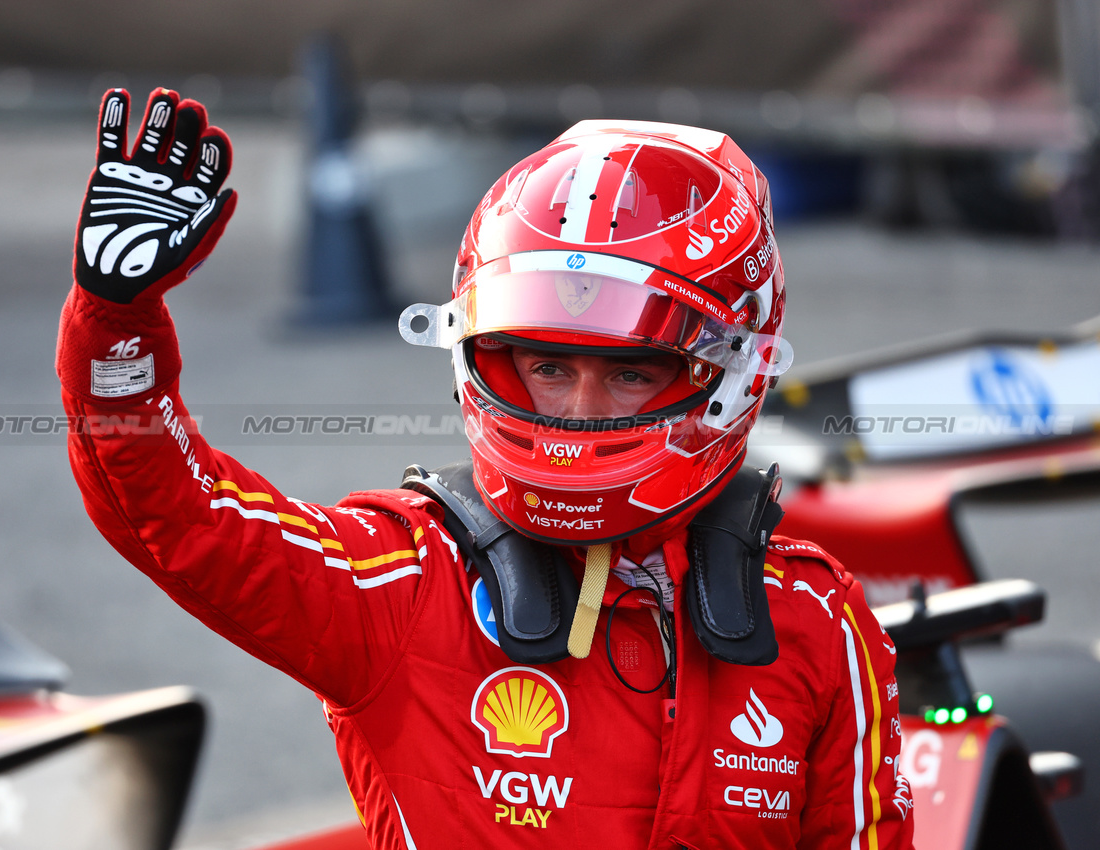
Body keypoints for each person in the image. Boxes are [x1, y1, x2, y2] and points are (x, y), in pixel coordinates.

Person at [58, 87, 914, 849]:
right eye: (546, 367)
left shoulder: (812, 619)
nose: (579, 412)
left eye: (630, 370)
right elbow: (178, 514)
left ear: (729, 371)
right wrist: (116, 321)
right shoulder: (403, 581)